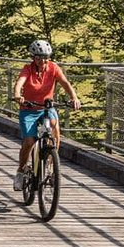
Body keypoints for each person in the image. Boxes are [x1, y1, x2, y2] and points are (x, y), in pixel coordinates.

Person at [14, 39, 80, 190]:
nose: (43, 61)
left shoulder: (53, 68)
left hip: (47, 108)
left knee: (55, 129)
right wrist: (18, 95)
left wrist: (74, 97)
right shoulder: (28, 69)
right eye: (39, 57)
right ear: (33, 57)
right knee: (29, 141)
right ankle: (21, 170)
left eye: (45, 57)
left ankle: (51, 163)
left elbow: (65, 83)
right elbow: (19, 83)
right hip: (29, 109)